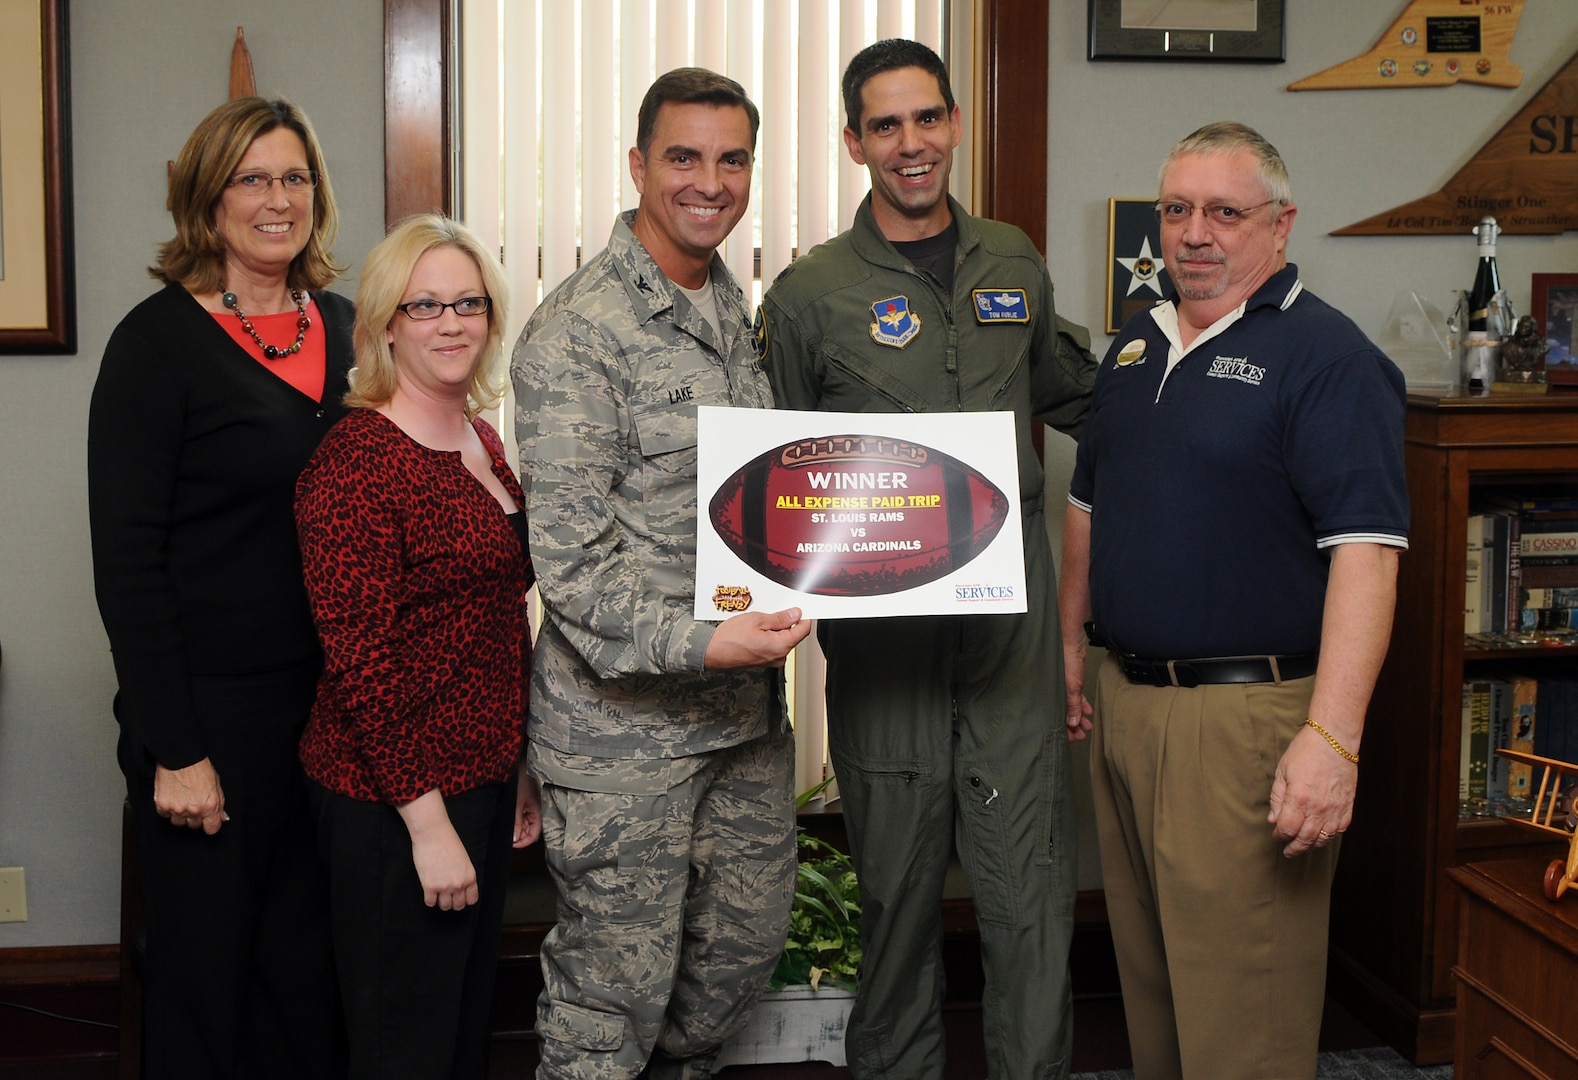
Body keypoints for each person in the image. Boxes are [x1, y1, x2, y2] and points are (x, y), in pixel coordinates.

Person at [757, 38, 1097, 1080]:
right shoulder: (812, 293)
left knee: (1030, 902)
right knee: (899, 905)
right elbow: (771, 471)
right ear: (856, 141)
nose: (913, 145)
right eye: (887, 125)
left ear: (954, 124)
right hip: (887, 650)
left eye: (929, 119)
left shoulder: (1013, 259)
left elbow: (1076, 389)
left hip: (1011, 649)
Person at [1058, 121, 1409, 1080]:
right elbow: (1088, 508)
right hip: (1128, 705)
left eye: (1225, 211)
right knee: (1160, 997)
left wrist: (1332, 743)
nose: (1195, 233)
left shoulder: (1329, 361)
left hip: (1248, 723)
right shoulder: (1136, 345)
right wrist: (1069, 652)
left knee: (1242, 1021)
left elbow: (1368, 559)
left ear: (1281, 225)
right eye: (1177, 210)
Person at [511, 68, 812, 1080]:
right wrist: (705, 640)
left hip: (740, 721)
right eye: (683, 157)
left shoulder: (731, 305)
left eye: (732, 160)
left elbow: (759, 507)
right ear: (639, 165)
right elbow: (575, 567)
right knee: (610, 1006)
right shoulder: (578, 333)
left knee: (727, 973)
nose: (709, 182)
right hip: (622, 739)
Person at [87, 96, 349, 1078]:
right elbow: (128, 564)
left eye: (294, 177)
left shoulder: (349, 325)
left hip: (329, 711)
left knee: (305, 971)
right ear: (208, 197)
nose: (276, 200)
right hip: (211, 716)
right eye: (251, 178)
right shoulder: (155, 346)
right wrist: (176, 747)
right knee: (207, 981)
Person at [293, 214, 538, 1079]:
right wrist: (427, 826)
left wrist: (518, 772)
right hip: (389, 801)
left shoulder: (482, 440)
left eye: (468, 302)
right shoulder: (355, 461)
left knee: (460, 1029)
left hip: (480, 777)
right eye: (425, 303)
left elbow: (498, 617)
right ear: (387, 322)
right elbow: (361, 663)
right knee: (404, 1044)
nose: (451, 322)